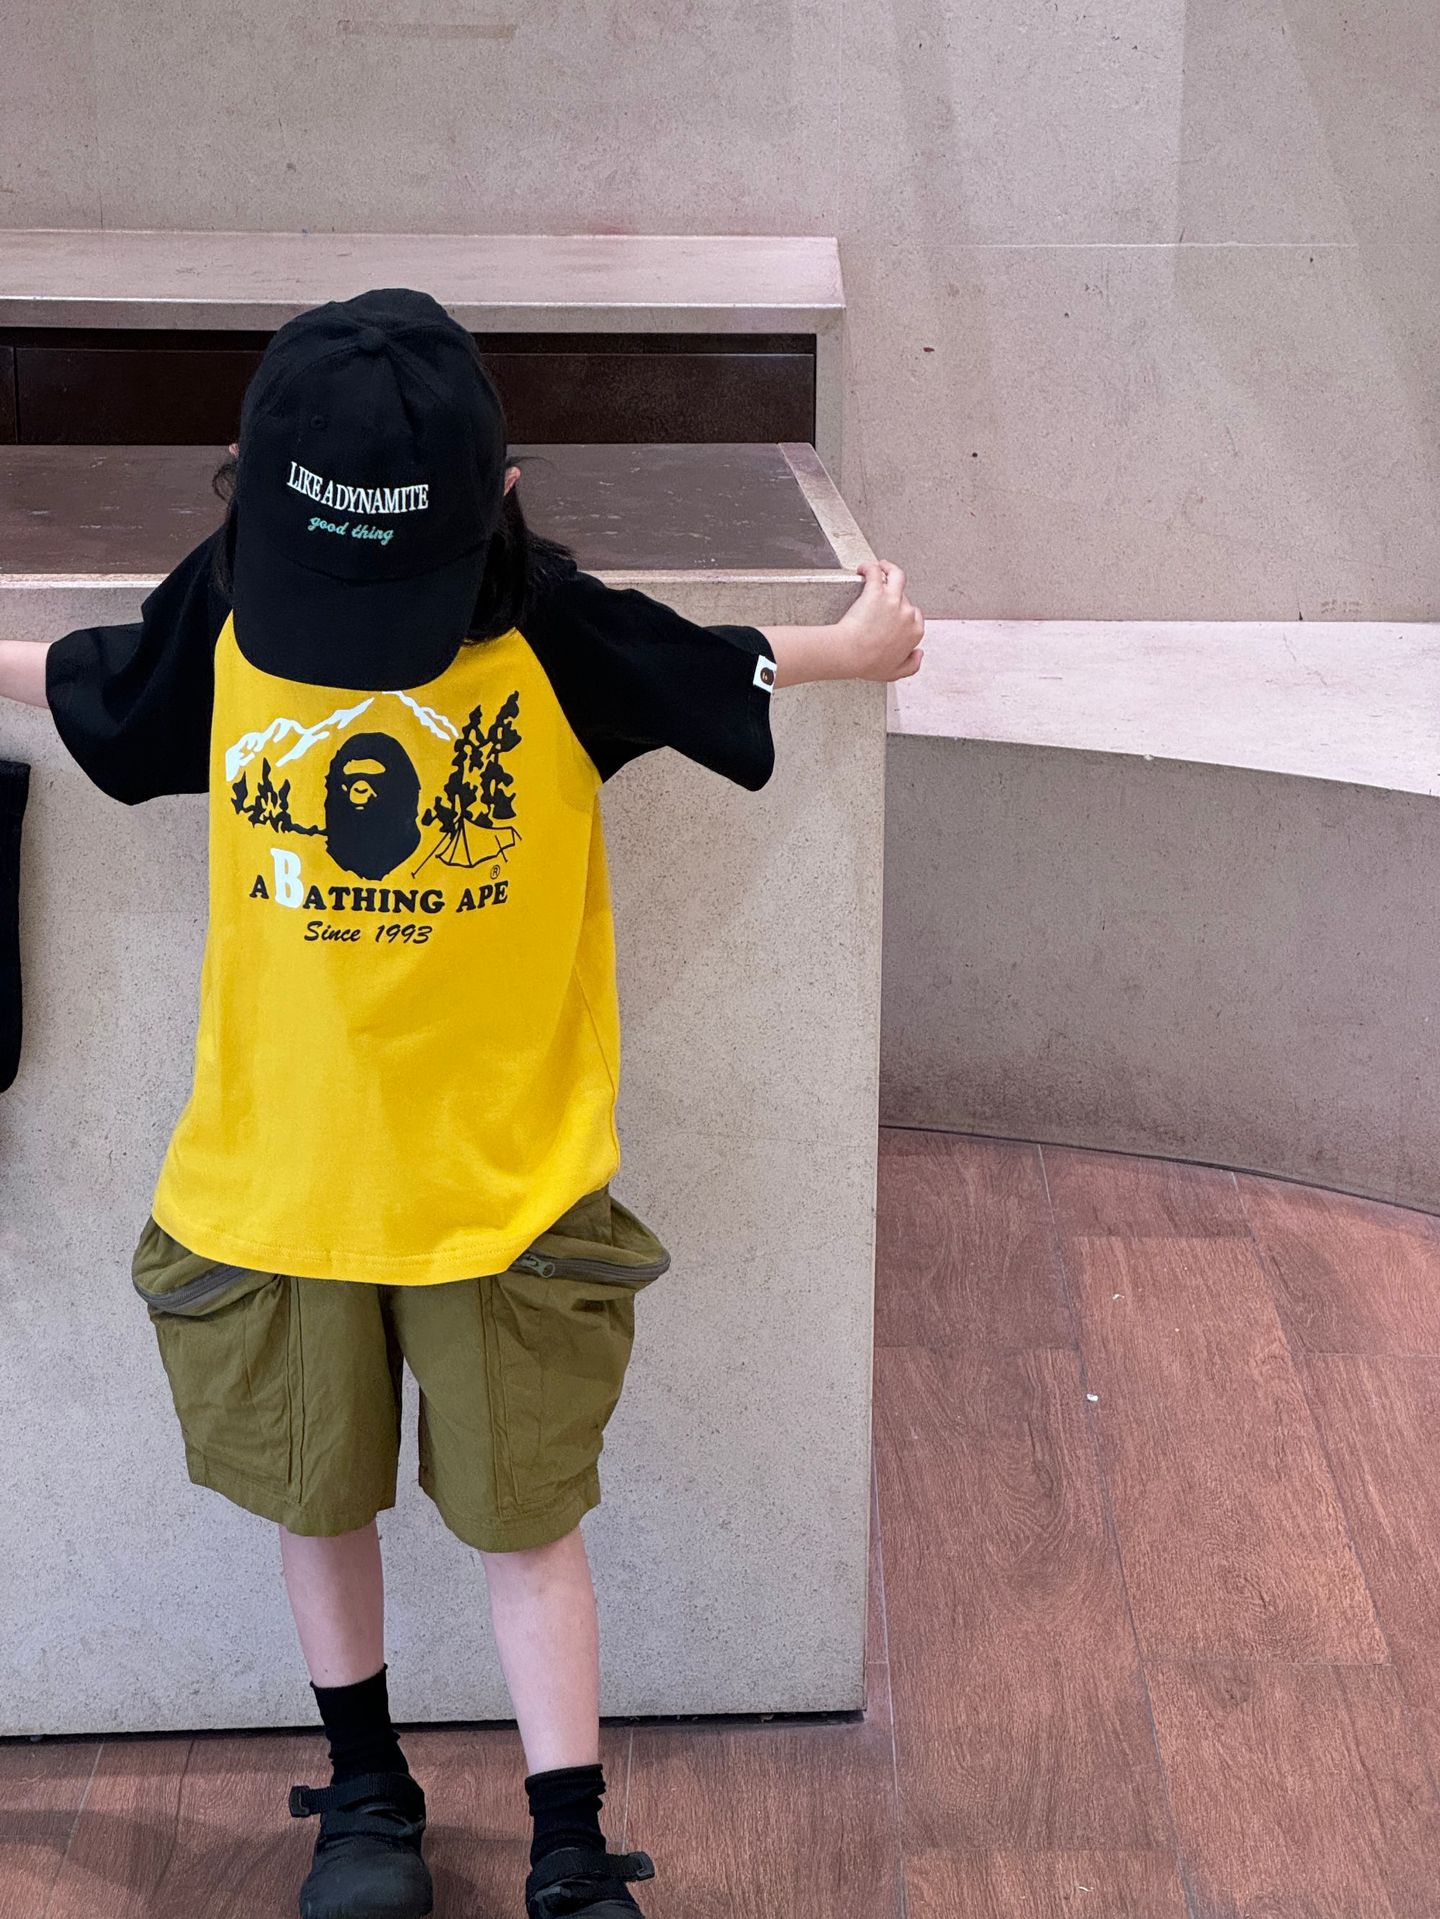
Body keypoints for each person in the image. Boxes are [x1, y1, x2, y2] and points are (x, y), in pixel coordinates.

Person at [0, 287, 924, 1919]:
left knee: (527, 1520)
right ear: (247, 498)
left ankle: (568, 1836)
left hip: (506, 1193)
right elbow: (104, 696)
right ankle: (365, 1794)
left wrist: (849, 652)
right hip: (279, 1184)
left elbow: (704, 664)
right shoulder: (228, 601)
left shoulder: (552, 632)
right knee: (316, 1498)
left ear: (501, 499)